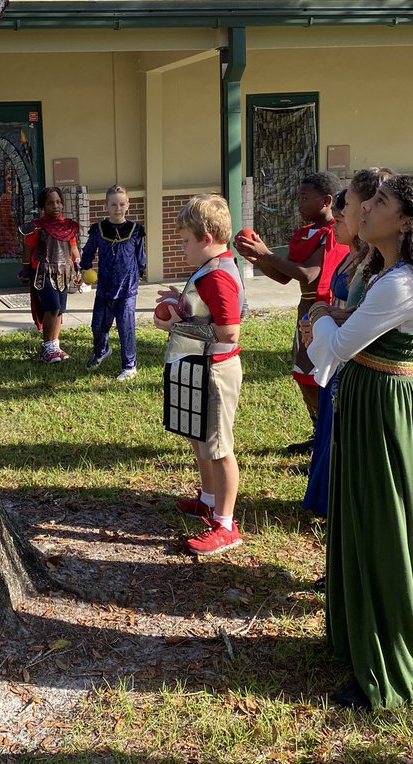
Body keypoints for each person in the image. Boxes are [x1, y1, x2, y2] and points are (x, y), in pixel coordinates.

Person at [304, 174, 413, 709]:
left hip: (384, 411)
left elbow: (343, 346)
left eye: (380, 202)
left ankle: (385, 667)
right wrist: (334, 320)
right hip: (373, 404)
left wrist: (321, 321)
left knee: (380, 527)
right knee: (360, 518)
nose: (367, 208)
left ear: (406, 220)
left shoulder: (402, 283)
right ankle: (356, 639)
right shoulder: (392, 274)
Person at [156, 194, 247, 555]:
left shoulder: (219, 275)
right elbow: (206, 312)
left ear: (206, 237)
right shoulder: (212, 268)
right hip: (199, 366)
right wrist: (183, 301)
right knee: (199, 437)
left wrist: (179, 324)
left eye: (185, 240)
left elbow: (229, 333)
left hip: (216, 370)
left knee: (219, 446)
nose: (182, 248)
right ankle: (209, 500)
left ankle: (226, 524)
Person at [300, 167, 392, 518]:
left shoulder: (386, 270)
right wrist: (327, 316)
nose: (344, 214)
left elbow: (361, 322)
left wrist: (324, 317)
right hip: (339, 357)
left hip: (356, 367)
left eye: (348, 205)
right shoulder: (365, 259)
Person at [234, 171, 348, 455]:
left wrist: (266, 253)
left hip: (325, 312)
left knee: (317, 375)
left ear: (326, 201)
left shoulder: (332, 233)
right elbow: (285, 277)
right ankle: (318, 432)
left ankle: (331, 438)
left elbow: (309, 274)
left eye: (304, 197)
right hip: (306, 310)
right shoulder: (306, 233)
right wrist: (257, 257)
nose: (298, 203)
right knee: (303, 374)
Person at [79, 185, 147, 381]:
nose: (118, 208)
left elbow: (140, 256)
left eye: (122, 204)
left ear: (128, 206)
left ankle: (129, 365)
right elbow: (89, 251)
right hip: (105, 288)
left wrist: (141, 271)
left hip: (127, 288)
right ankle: (102, 350)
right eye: (114, 204)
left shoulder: (135, 230)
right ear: (106, 205)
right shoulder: (98, 230)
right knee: (97, 325)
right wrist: (84, 268)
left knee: (126, 327)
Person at [20, 186, 81, 363]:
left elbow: (74, 248)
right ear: (43, 206)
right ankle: (47, 348)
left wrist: (78, 268)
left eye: (58, 202)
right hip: (43, 271)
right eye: (50, 203)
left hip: (64, 271)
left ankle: (55, 346)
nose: (55, 206)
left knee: (60, 310)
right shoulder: (37, 226)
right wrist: (25, 270)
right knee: (51, 307)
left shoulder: (69, 227)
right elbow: (28, 249)